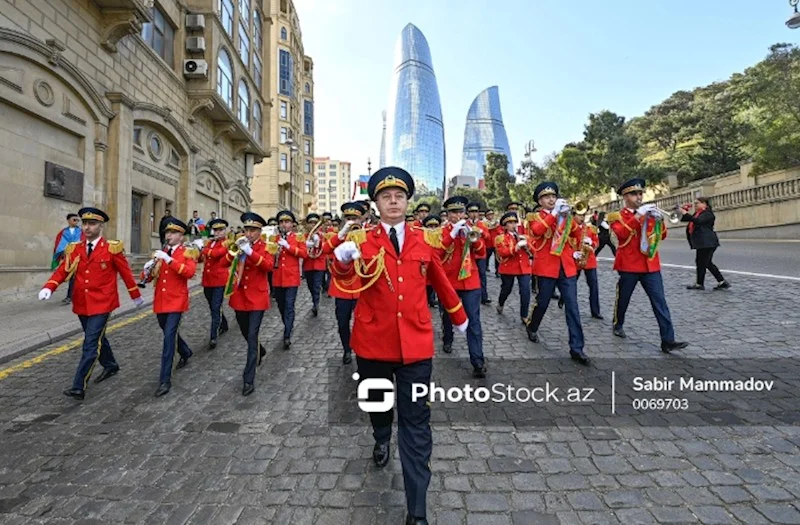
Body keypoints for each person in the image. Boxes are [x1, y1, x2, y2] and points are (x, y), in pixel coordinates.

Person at [332, 167, 468, 525]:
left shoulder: (426, 239)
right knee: (379, 407)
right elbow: (345, 285)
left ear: (407, 202)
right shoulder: (362, 240)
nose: (393, 201)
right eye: (385, 197)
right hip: (373, 343)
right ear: (376, 204)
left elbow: (438, 278)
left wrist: (459, 316)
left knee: (416, 424)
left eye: (399, 196)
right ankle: (379, 435)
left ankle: (417, 511)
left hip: (416, 346)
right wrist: (343, 263)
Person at [38, 207, 144, 400]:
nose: (87, 227)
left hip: (103, 303)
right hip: (82, 303)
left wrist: (135, 295)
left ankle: (79, 385)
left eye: (92, 224)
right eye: (84, 223)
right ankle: (111, 364)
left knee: (90, 343)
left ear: (100, 226)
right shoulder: (75, 248)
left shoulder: (112, 248)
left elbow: (126, 273)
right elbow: (62, 270)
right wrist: (49, 287)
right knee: (97, 337)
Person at [608, 178, 688, 353]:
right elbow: (621, 235)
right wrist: (638, 216)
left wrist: (659, 221)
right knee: (624, 298)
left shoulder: (649, 213)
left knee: (660, 302)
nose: (638, 197)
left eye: (640, 193)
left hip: (650, 265)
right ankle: (618, 323)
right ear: (625, 196)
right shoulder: (616, 216)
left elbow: (662, 236)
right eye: (634, 194)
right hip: (629, 264)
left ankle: (668, 340)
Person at [524, 182, 590, 365]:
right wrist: (554, 215)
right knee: (543, 302)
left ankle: (577, 348)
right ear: (539, 201)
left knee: (572, 306)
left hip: (566, 266)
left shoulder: (564, 215)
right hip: (546, 266)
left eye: (553, 196)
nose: (551, 199)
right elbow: (537, 232)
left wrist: (569, 217)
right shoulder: (534, 217)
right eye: (546, 197)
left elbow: (577, 234)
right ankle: (532, 325)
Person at [141, 217, 197, 397]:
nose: (169, 236)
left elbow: (189, 272)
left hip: (176, 301)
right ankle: (186, 351)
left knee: (168, 339)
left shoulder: (187, 252)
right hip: (161, 301)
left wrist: (169, 260)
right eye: (167, 233)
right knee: (168, 332)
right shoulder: (161, 252)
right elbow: (150, 278)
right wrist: (147, 269)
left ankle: (164, 380)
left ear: (181, 236)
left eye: (173, 233)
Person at [437, 196, 487, 377]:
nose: (458, 215)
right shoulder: (441, 231)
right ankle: (447, 338)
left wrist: (474, 240)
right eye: (453, 212)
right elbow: (437, 253)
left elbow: (481, 253)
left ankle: (478, 361)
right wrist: (452, 235)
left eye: (461, 212)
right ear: (447, 214)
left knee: (473, 321)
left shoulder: (472, 229)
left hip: (470, 280)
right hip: (449, 281)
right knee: (448, 316)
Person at [227, 212, 274, 396]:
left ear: (259, 231)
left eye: (252, 230)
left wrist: (250, 252)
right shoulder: (239, 245)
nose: (248, 233)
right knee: (246, 332)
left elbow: (268, 266)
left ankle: (248, 379)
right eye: (246, 229)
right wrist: (234, 252)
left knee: (252, 335)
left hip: (257, 298)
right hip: (239, 297)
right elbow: (226, 262)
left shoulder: (266, 246)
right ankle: (260, 351)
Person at [324, 201, 370, 364]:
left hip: (361, 287)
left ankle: (362, 351)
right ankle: (346, 348)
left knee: (362, 323)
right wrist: (341, 235)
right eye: (348, 218)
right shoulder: (338, 236)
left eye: (355, 218)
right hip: (341, 288)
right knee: (342, 322)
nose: (352, 221)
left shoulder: (368, 234)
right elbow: (325, 250)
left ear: (361, 219)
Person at [271, 210, 308, 349]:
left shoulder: (298, 238)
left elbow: (304, 254)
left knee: (289, 305)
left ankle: (287, 334)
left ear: (292, 224)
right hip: (277, 278)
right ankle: (287, 324)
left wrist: (288, 246)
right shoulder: (274, 239)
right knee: (281, 305)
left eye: (287, 222)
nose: (284, 224)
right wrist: (274, 252)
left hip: (291, 277)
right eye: (281, 222)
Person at [681, 197, 730, 291]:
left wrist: (686, 214)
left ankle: (701, 284)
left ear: (705, 204)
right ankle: (721, 282)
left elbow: (698, 221)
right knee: (705, 262)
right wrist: (682, 212)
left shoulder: (708, 214)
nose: (695, 205)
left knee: (703, 262)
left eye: (697, 203)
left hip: (708, 242)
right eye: (695, 203)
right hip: (703, 243)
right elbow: (686, 219)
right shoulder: (698, 213)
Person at [198, 218, 232, 348]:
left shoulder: (226, 243)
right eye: (216, 230)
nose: (218, 233)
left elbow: (217, 254)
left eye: (221, 230)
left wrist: (204, 249)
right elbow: (201, 258)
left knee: (215, 307)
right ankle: (223, 323)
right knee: (212, 306)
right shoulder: (209, 243)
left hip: (219, 280)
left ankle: (213, 336)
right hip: (207, 280)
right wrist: (197, 251)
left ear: (225, 231)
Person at [494, 212, 532, 323]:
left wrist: (527, 245)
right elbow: (502, 252)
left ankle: (524, 315)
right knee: (506, 289)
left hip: (523, 267)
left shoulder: (523, 236)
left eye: (514, 222)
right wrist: (515, 247)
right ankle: (501, 303)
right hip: (509, 267)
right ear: (505, 226)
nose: (513, 225)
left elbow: (534, 250)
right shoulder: (500, 238)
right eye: (510, 223)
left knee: (525, 291)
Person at [570, 209, 603, 320]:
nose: (582, 218)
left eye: (583, 215)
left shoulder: (590, 229)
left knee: (593, 286)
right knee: (571, 285)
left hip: (589, 260)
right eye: (579, 215)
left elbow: (596, 242)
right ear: (574, 215)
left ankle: (595, 311)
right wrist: (573, 253)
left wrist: (591, 243)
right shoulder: (569, 229)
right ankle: (566, 301)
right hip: (575, 260)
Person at [52, 213, 85, 304]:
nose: (76, 222)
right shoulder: (63, 232)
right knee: (70, 277)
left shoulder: (81, 232)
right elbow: (60, 244)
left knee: (75, 278)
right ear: (69, 220)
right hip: (68, 258)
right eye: (74, 220)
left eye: (77, 220)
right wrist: (64, 251)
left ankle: (70, 297)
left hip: (79, 258)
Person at [466, 202, 492, 305]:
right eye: (471, 212)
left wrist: (481, 231)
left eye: (475, 211)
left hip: (481, 254)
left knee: (482, 274)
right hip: (469, 254)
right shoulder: (465, 224)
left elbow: (488, 238)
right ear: (468, 213)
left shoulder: (482, 224)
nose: (474, 214)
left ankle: (484, 296)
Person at [301, 213, 326, 316]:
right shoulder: (304, 237)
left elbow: (325, 249)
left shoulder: (322, 236)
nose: (313, 225)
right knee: (310, 285)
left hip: (319, 264)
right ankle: (314, 300)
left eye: (315, 223)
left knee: (316, 285)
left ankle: (316, 304)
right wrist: (305, 244)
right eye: (311, 223)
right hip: (308, 264)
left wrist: (319, 242)